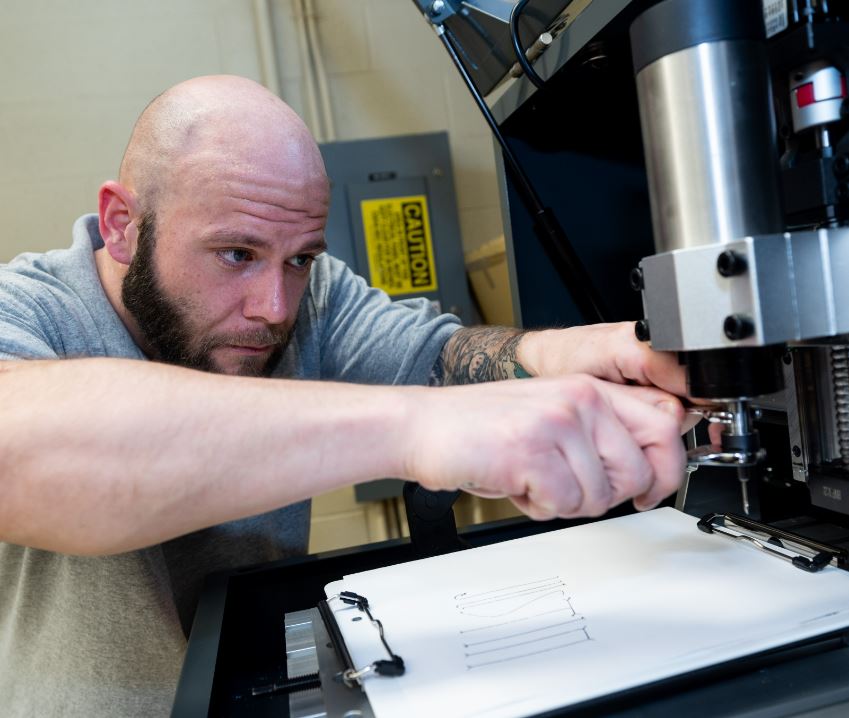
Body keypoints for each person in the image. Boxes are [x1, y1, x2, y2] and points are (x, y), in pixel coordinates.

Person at [0, 75, 688, 717]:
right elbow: (19, 450)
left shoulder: (313, 297)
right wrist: (418, 431)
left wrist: (578, 353)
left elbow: (435, 360)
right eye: (235, 254)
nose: (273, 308)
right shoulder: (27, 313)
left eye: (298, 258)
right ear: (121, 224)